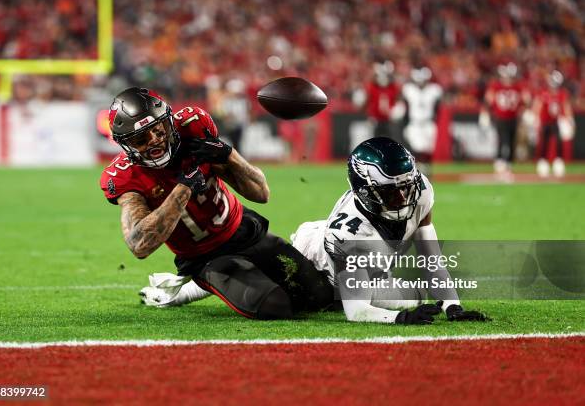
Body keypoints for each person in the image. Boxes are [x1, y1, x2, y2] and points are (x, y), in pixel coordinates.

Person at [151, 137, 486, 325]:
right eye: (391, 190)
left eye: (405, 186)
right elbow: (358, 312)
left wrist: (450, 305)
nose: (403, 196)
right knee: (305, 295)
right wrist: (400, 320)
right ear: (366, 190)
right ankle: (179, 290)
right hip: (320, 259)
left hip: (361, 258)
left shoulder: (420, 191)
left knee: (415, 296)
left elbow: (430, 254)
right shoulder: (349, 236)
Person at [100, 87, 333, 319]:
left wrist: (228, 154)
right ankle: (199, 285)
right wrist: (184, 189)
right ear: (126, 145)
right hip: (206, 257)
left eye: (158, 130)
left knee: (321, 297)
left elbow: (262, 193)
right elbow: (140, 245)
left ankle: (304, 243)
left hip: (244, 230)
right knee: (275, 306)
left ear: (168, 121)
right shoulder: (125, 176)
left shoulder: (193, 127)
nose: (154, 142)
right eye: (141, 139)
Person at [479, 62, 529, 176]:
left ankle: (509, 163)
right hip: (500, 117)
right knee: (502, 139)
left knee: (511, 140)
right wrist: (485, 113)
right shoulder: (496, 86)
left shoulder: (518, 86)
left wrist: (524, 111)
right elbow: (488, 100)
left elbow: (526, 100)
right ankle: (499, 160)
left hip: (513, 117)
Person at [397, 66, 443, 176]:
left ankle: (427, 172)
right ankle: (416, 172)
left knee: (428, 150)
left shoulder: (434, 90)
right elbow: (404, 105)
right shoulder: (409, 89)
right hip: (415, 123)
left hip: (428, 123)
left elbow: (438, 107)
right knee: (416, 148)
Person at [532, 70, 575, 178]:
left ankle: (558, 163)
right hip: (545, 122)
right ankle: (543, 163)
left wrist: (570, 119)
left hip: (557, 122)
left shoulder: (562, 93)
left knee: (559, 143)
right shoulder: (544, 92)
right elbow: (538, 105)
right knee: (544, 143)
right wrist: (535, 118)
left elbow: (566, 106)